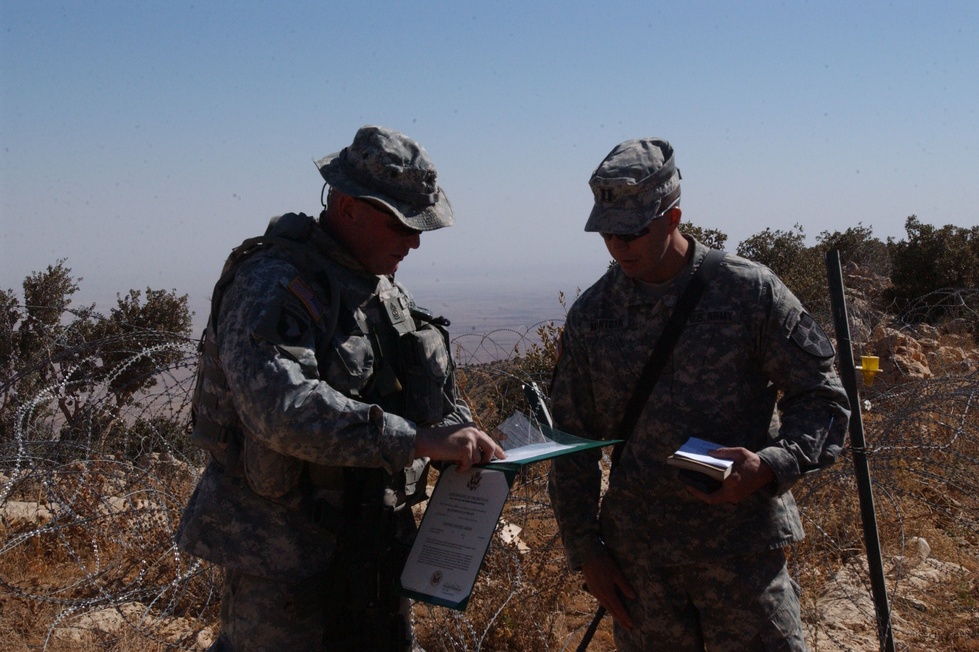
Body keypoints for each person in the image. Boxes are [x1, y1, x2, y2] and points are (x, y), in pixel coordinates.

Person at [176, 125, 504, 652]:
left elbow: (425, 397)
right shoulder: (275, 283)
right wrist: (415, 441)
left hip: (374, 543)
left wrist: (464, 438)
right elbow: (280, 408)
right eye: (401, 223)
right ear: (348, 206)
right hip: (283, 556)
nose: (414, 241)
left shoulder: (383, 290)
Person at [547, 137, 851, 651]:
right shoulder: (594, 316)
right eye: (607, 234)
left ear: (673, 216)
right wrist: (587, 552)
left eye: (634, 231)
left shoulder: (746, 292)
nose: (619, 247)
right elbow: (569, 442)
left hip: (741, 559)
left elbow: (822, 397)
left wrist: (772, 464)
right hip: (642, 569)